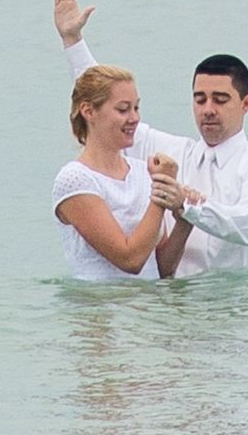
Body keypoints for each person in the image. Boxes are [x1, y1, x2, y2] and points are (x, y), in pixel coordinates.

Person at [52, 0, 248, 278]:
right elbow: (105, 108)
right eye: (200, 99)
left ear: (246, 103)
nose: (208, 110)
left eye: (220, 100)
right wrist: (73, 42)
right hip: (172, 298)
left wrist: (190, 208)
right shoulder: (172, 152)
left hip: (237, 302)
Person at [54, 63, 185, 281]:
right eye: (123, 109)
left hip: (147, 301)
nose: (134, 118)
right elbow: (130, 260)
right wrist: (160, 193)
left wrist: (185, 218)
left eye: (136, 108)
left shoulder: (144, 172)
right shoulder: (75, 179)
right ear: (88, 111)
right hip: (98, 302)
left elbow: (163, 269)